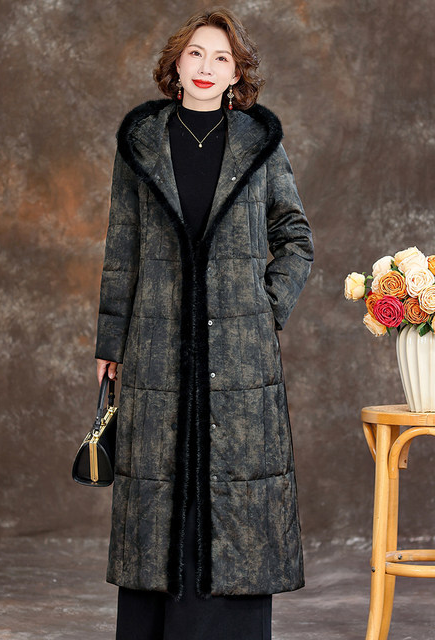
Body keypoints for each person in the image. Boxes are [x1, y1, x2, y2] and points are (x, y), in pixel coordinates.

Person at [95, 7, 314, 640]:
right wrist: (111, 342)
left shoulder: (259, 144)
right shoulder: (141, 143)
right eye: (196, 53)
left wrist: (264, 308)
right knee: (158, 502)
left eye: (222, 58)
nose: (207, 67)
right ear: (177, 62)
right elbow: (122, 249)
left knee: (233, 501)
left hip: (240, 357)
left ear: (236, 73)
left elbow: (295, 237)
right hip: (154, 347)